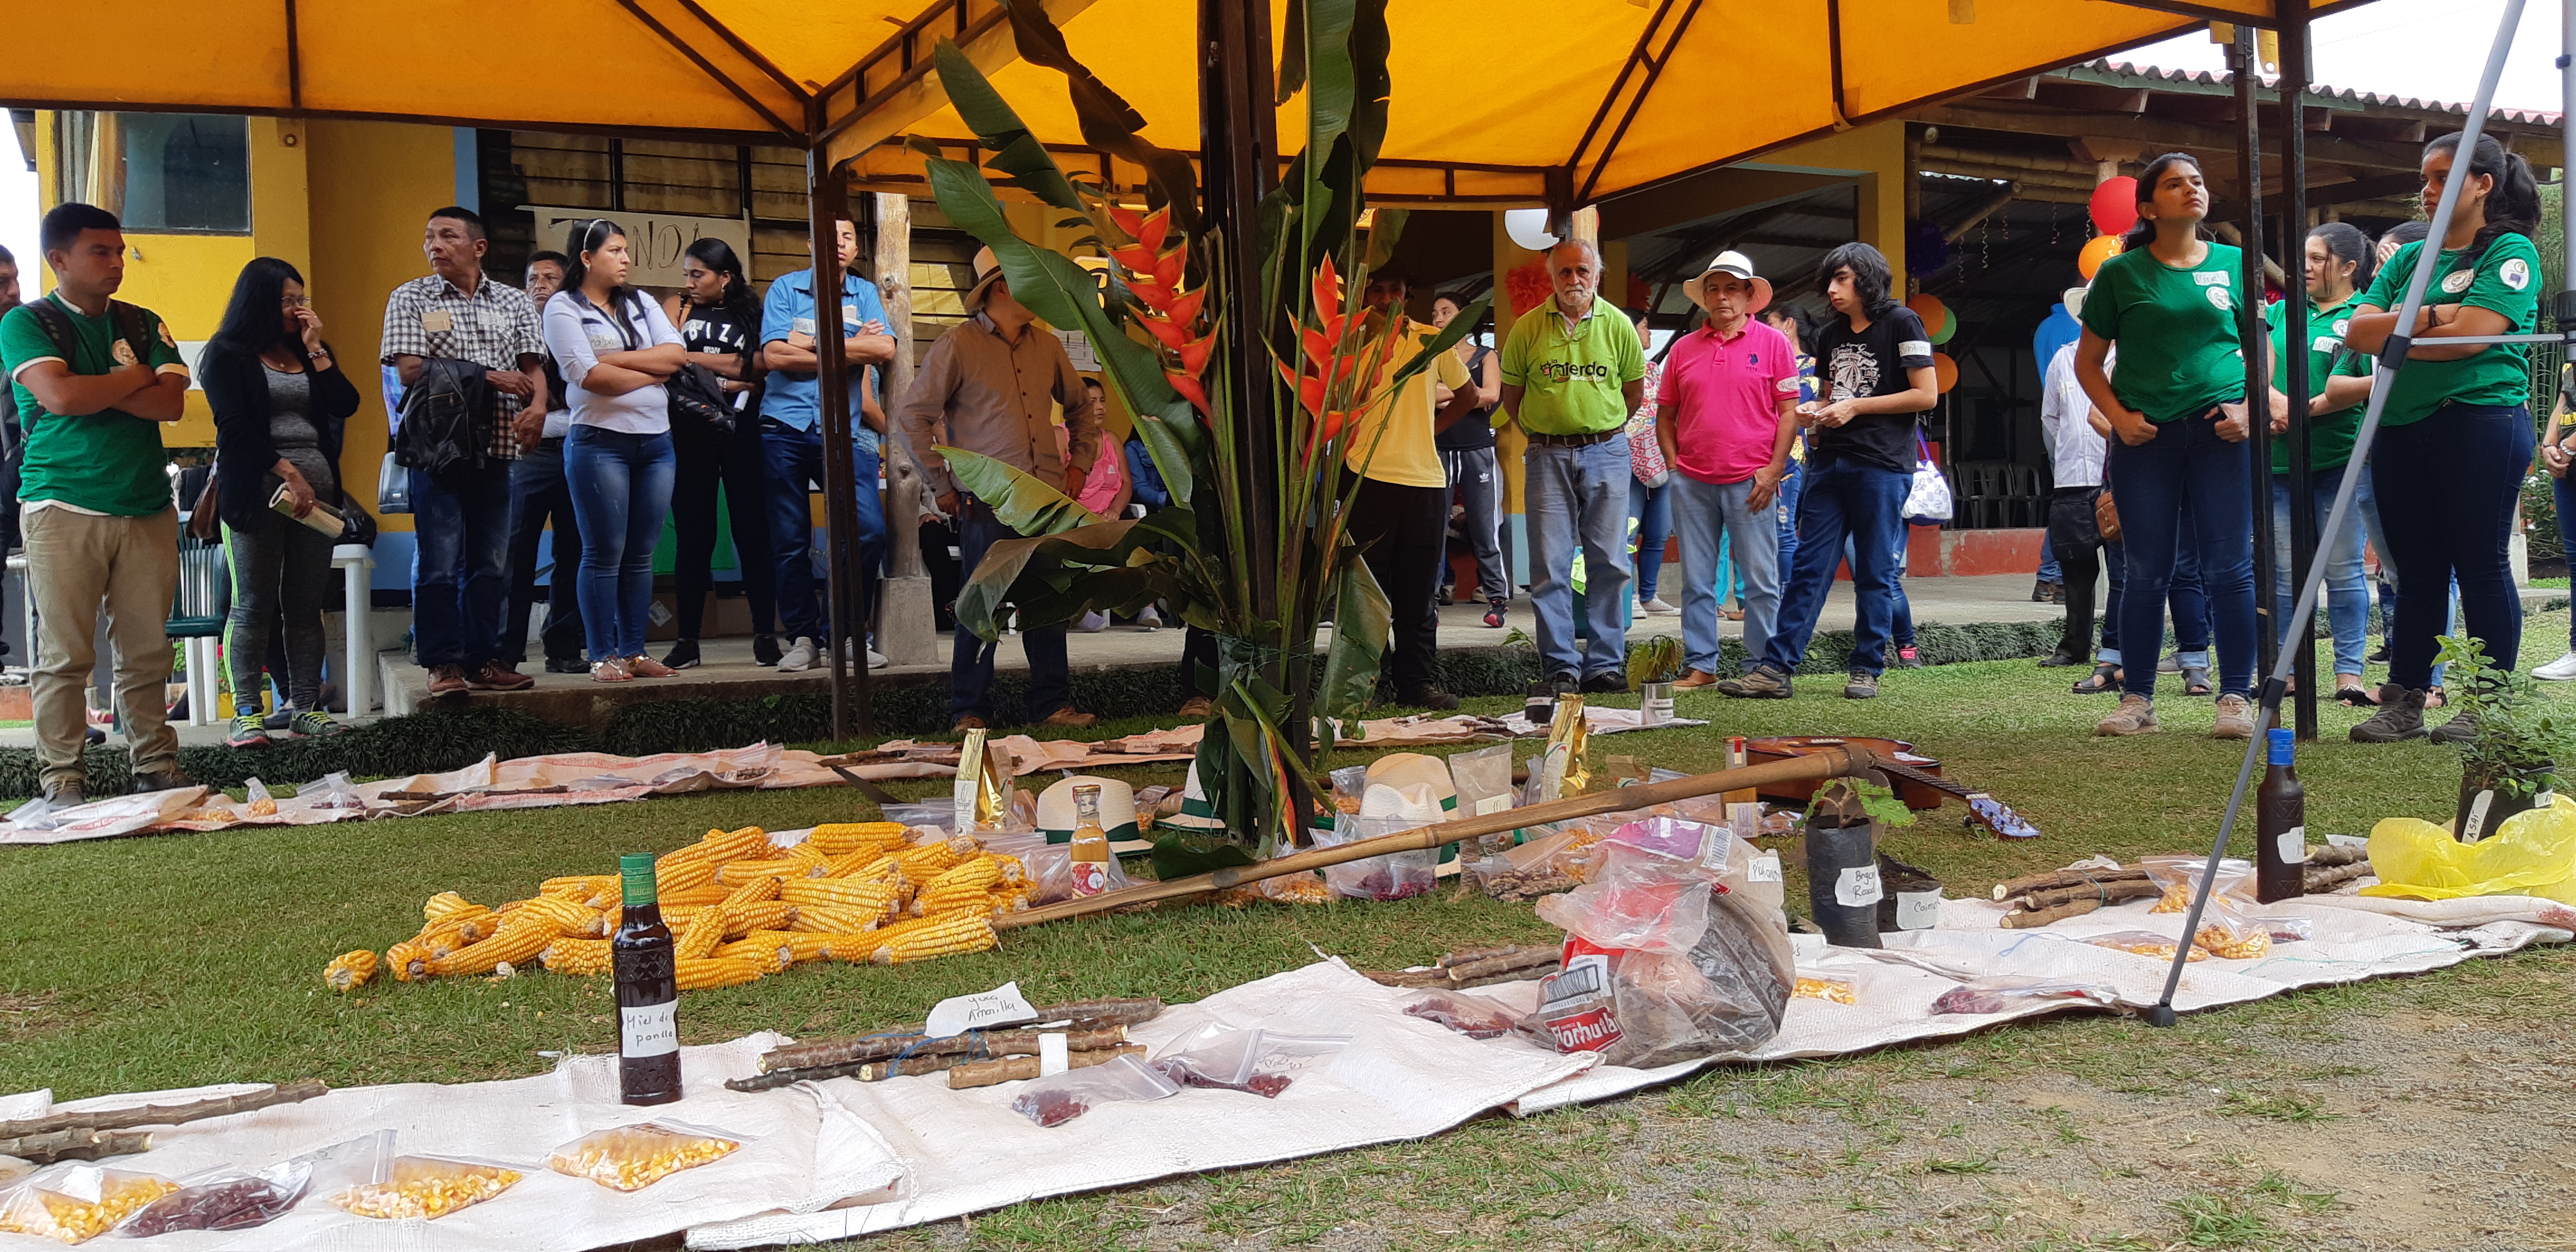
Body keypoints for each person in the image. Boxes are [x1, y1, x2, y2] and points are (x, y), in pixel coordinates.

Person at [2345, 132, 2545, 743]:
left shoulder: (2510, 251)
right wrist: (2433, 315)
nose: (2427, 192)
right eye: (2425, 178)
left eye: (2441, 178)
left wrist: (2405, 326)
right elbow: (2356, 331)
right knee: (2418, 569)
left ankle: (2491, 705)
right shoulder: (2409, 259)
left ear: (2483, 184)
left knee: (2481, 563)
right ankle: (2405, 698)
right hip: (2403, 427)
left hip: (2479, 419)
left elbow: (2474, 338)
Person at [0, 203, 194, 803]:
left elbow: (171, 406)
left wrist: (95, 388)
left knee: (147, 649)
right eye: (99, 252)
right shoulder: (26, 323)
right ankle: (62, 779)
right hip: (61, 504)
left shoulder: (142, 320)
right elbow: (58, 397)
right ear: (58, 260)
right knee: (65, 655)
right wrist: (136, 377)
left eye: (118, 250)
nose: (116, 263)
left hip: (145, 504)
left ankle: (156, 766)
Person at [2073, 153, 2260, 740]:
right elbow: (2087, 364)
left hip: (2220, 433)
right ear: (2149, 208)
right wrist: (2119, 419)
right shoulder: (2121, 274)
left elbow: (2262, 345)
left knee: (2229, 569)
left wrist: (2252, 408)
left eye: (2198, 181)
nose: (2192, 190)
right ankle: (2138, 700)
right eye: (2175, 184)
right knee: (2145, 571)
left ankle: (2234, 697)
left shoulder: (2235, 263)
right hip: (2146, 438)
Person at [898, 248, 1100, 732]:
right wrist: (941, 483)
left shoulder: (1047, 346)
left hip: (1045, 498)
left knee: (1047, 602)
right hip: (986, 500)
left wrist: (1080, 467)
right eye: (1025, 279)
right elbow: (913, 415)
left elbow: (1081, 408)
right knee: (980, 604)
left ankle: (1051, 705)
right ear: (1002, 288)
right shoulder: (957, 344)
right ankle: (969, 709)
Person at [1723, 243, 1934, 701]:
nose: (1834, 290)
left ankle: (1867, 668)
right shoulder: (1832, 333)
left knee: (1875, 572)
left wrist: (1853, 406)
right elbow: (1831, 393)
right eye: (1831, 281)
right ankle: (1775, 669)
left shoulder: (1903, 322)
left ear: (1868, 278)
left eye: (1843, 279)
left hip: (1881, 466)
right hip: (1828, 463)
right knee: (1807, 568)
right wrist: (1814, 411)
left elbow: (1926, 395)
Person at [381, 206, 547, 697]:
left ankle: (485, 660)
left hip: (499, 445)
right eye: (429, 236)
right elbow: (411, 370)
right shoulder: (411, 297)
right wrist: (489, 375)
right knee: (439, 560)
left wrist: (537, 406)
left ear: (479, 247)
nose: (434, 244)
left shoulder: (515, 302)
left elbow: (532, 367)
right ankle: (443, 664)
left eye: (448, 235)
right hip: (440, 450)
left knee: (492, 562)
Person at [202, 257, 361, 746]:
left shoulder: (309, 351)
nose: (298, 309)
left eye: (301, 299)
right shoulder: (227, 354)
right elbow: (234, 429)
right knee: (252, 604)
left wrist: (316, 351)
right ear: (261, 303)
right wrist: (288, 471)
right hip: (257, 492)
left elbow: (345, 404)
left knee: (305, 605)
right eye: (288, 301)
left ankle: (305, 705)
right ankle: (248, 711)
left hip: (315, 498)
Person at [1498, 239, 1647, 693]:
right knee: (1549, 565)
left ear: (1596, 275)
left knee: (1610, 562)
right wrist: (1548, 433)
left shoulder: (1619, 326)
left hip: (1607, 451)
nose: (1574, 281)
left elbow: (1634, 392)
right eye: (1564, 273)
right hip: (1546, 455)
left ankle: (1605, 664)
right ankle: (1561, 665)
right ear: (1552, 277)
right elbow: (1512, 398)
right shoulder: (1526, 329)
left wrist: (1597, 429)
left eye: (1582, 271)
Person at [543, 219, 685, 684]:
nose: (626, 259)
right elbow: (587, 377)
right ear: (587, 259)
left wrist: (614, 360)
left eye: (626, 251)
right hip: (599, 443)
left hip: (656, 443)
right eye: (616, 251)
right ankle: (603, 655)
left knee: (642, 553)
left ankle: (635, 651)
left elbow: (676, 356)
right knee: (605, 551)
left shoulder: (643, 303)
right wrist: (653, 370)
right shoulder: (563, 307)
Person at [1656, 252, 1797, 689]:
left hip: (1752, 481)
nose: (1722, 297)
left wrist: (1773, 471)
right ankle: (1702, 665)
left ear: (1749, 296)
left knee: (1760, 581)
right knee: (1697, 582)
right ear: (1705, 297)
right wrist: (1674, 466)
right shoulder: (1683, 349)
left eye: (1732, 288)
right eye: (1714, 289)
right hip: (1692, 481)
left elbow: (1789, 413)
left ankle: (1761, 668)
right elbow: (1665, 414)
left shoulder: (1774, 344)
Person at [760, 218, 894, 674]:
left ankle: (849, 633)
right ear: (811, 240)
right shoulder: (785, 288)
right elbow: (774, 356)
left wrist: (810, 345)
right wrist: (849, 346)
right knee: (790, 539)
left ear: (856, 248)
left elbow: (886, 351)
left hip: (846, 429)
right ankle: (803, 637)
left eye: (848, 237)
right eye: (830, 235)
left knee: (868, 530)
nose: (839, 244)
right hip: (784, 428)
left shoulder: (866, 293)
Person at [1345, 269, 1473, 709]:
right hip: (1363, 475)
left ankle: (1416, 683)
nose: (1385, 298)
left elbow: (1469, 395)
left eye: (1393, 290)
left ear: (1408, 295)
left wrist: (1432, 430)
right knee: (1370, 593)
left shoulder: (1430, 339)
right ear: (1364, 296)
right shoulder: (1349, 340)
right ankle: (1373, 684)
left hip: (1424, 479)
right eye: (1376, 291)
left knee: (1418, 592)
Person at [2263, 222, 2379, 706]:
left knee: (2343, 570)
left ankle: (2348, 673)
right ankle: (2285, 672)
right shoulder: (2282, 311)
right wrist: (2271, 400)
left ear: (2350, 268)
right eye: (2303, 257)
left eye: (2317, 259)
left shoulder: (2364, 316)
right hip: (2279, 462)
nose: (2304, 267)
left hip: (2339, 461)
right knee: (2286, 573)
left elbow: (2365, 382)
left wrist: (2300, 409)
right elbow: (2250, 362)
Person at [661, 238, 778, 670]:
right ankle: (687, 639)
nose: (689, 283)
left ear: (724, 277)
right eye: (687, 274)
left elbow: (760, 365)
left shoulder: (753, 311)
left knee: (753, 533)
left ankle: (765, 634)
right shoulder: (678, 308)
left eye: (698, 274)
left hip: (743, 433)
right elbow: (666, 362)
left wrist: (694, 364)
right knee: (694, 536)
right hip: (689, 433)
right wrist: (727, 374)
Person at [503, 250, 586, 675]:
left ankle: (564, 647)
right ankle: (506, 650)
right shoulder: (515, 335)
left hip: (578, 449)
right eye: (533, 279)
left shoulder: (578, 328)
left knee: (574, 550)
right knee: (515, 550)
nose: (540, 285)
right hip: (528, 455)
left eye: (550, 278)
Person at [2038, 284, 2116, 681]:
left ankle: (2118, 650)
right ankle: (2074, 647)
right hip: (2071, 479)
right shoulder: (2062, 360)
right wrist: (2066, 455)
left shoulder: (2131, 357)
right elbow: (2050, 418)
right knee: (2075, 570)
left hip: (2118, 479)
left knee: (2124, 573)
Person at [1431, 293, 1507, 627]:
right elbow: (1426, 395)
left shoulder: (1485, 355)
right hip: (1437, 449)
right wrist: (1466, 395)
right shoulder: (1429, 358)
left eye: (1446, 312)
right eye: (1434, 313)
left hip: (1477, 448)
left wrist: (1447, 398)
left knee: (1483, 526)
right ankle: (1429, 598)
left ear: (1465, 319)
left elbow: (1493, 393)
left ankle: (1497, 600)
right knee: (1433, 527)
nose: (1437, 318)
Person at [1758, 303, 1813, 586]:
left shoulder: (1811, 369)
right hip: (1760, 458)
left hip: (1789, 461)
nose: (1766, 329)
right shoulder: (1769, 364)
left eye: (1771, 322)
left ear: (1789, 325)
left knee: (1784, 531)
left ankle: (1786, 597)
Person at [1626, 332, 1678, 618]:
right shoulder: (1617, 367)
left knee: (1659, 532)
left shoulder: (1653, 370)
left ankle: (1648, 595)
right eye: (1645, 326)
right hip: (1626, 460)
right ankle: (1628, 595)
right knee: (1628, 533)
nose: (1648, 333)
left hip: (1659, 457)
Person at [0, 244, 22, 679]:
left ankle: (63, 720)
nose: (14, 291)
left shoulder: (25, 334)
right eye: (3, 283)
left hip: (22, 479)